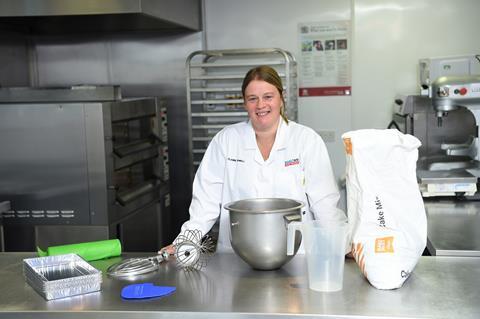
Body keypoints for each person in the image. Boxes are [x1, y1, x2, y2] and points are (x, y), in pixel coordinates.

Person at [160, 65, 345, 255]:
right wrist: (185, 241)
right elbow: (205, 203)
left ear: (281, 98)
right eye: (252, 99)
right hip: (236, 256)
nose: (260, 105)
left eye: (268, 97)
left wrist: (344, 246)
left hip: (295, 254)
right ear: (244, 103)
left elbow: (324, 203)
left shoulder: (306, 140)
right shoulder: (226, 140)